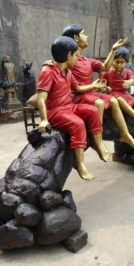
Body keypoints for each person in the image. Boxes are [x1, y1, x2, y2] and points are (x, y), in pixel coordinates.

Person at [37, 36, 110, 181]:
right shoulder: (48, 71)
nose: (77, 59)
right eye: (76, 55)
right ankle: (80, 163)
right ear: (68, 55)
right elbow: (41, 98)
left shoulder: (68, 72)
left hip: (69, 106)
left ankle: (98, 143)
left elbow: (77, 87)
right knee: (78, 124)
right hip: (56, 111)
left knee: (93, 111)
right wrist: (44, 120)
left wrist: (94, 86)